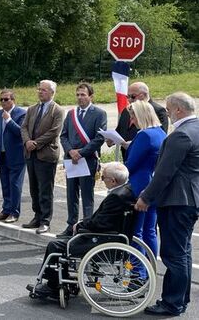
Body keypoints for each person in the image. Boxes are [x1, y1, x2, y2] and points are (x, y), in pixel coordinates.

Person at [27, 162, 136, 298]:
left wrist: (79, 225)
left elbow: (100, 223)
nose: (102, 180)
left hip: (101, 240)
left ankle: (52, 286)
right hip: (112, 237)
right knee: (63, 242)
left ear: (113, 181)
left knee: (55, 246)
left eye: (103, 178)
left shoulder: (115, 197)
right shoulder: (127, 191)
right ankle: (61, 280)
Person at [135, 92, 199, 316]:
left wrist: (145, 197)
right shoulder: (197, 129)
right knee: (183, 252)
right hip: (190, 199)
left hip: (176, 201)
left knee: (174, 254)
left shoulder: (180, 135)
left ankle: (171, 303)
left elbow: (164, 173)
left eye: (169, 109)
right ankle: (181, 299)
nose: (168, 113)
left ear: (179, 110)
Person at [58, 83, 107, 238]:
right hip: (71, 160)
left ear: (91, 96)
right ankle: (71, 225)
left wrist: (82, 153)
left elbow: (99, 138)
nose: (80, 97)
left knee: (87, 195)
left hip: (88, 160)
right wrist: (70, 151)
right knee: (71, 194)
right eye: (78, 94)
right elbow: (63, 136)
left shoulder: (100, 114)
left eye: (83, 95)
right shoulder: (71, 114)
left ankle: (86, 226)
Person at [20, 80, 65, 234]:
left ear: (52, 92)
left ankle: (45, 220)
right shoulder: (32, 109)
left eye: (44, 90)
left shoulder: (57, 110)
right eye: (39, 89)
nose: (40, 92)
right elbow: (24, 126)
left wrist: (36, 143)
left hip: (46, 155)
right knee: (34, 188)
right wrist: (27, 141)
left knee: (45, 189)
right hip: (30, 153)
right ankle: (37, 216)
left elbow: (54, 131)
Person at [121, 101, 165, 258]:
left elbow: (131, 164)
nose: (131, 121)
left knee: (136, 232)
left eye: (133, 116)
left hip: (139, 186)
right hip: (153, 185)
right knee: (150, 231)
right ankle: (150, 267)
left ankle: (138, 270)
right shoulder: (160, 132)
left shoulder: (144, 135)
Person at [0, 89, 26, 223]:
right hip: (2, 155)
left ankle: (14, 213)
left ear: (13, 100)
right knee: (5, 183)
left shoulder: (22, 113)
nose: (3, 102)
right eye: (1, 100)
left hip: (17, 156)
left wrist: (9, 120)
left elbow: (21, 133)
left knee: (15, 185)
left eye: (6, 99)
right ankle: (6, 210)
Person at [112, 82, 168, 161]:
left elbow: (160, 137)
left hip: (145, 157)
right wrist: (112, 138)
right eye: (127, 97)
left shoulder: (158, 110)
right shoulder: (127, 110)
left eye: (132, 96)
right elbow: (120, 130)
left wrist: (134, 144)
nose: (129, 100)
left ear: (143, 95)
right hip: (127, 155)